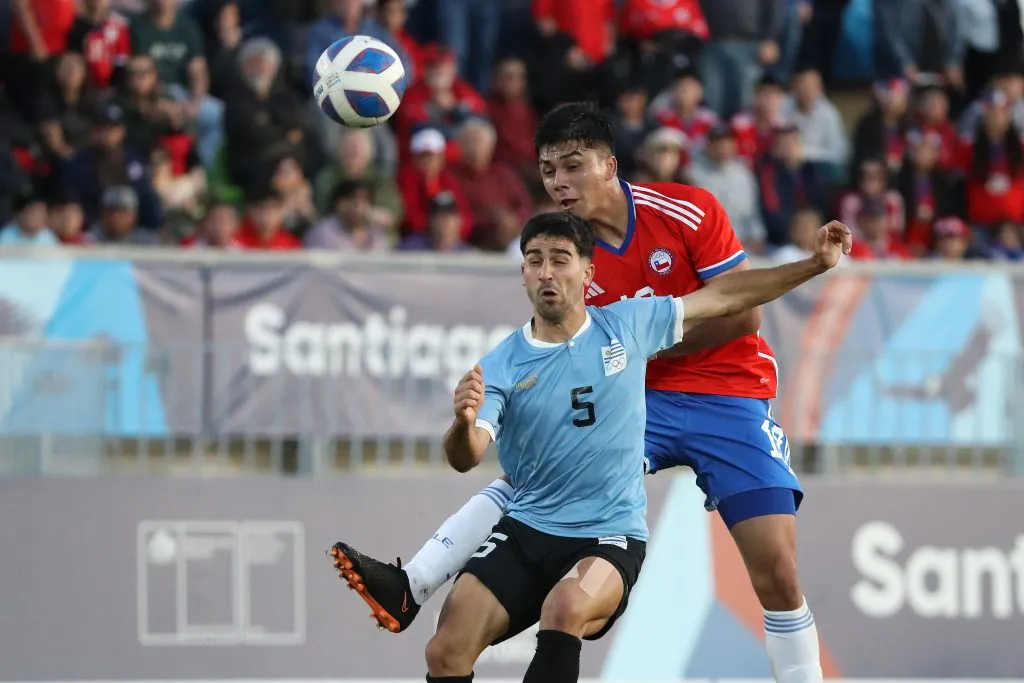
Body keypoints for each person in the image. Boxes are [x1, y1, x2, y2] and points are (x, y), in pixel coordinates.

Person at [330, 103, 840, 683]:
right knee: (536, 476)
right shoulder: (571, 259)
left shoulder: (685, 210)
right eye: (548, 171)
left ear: (609, 166)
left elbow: (741, 316)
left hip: (729, 394)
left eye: (572, 166)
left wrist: (629, 344)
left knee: (776, 569)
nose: (559, 183)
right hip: (639, 398)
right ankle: (414, 581)